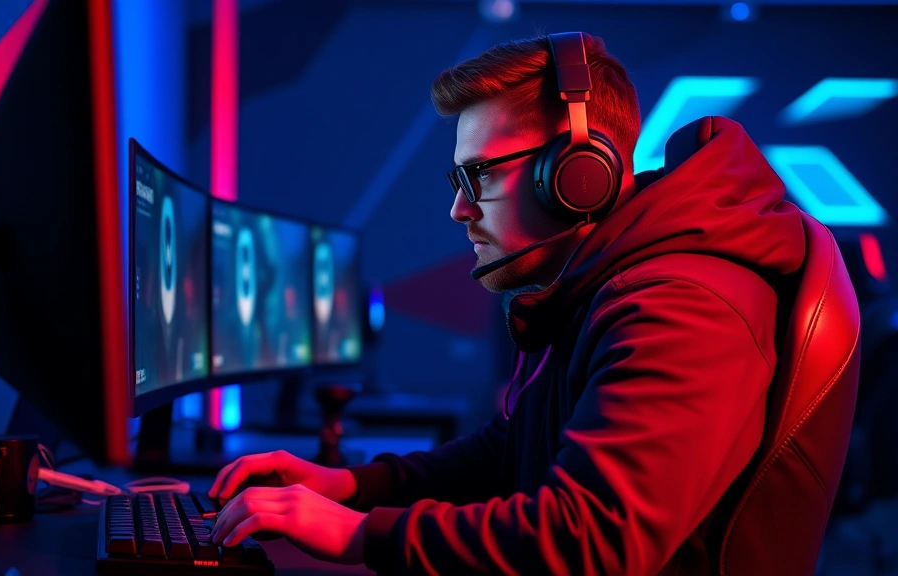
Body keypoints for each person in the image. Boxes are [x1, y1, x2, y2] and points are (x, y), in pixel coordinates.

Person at [207, 31, 807, 575]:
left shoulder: (681, 309)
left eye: (479, 177)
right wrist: (349, 487)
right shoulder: (598, 286)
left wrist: (359, 534)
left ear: (577, 174)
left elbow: (592, 543)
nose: (460, 210)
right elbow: (511, 450)